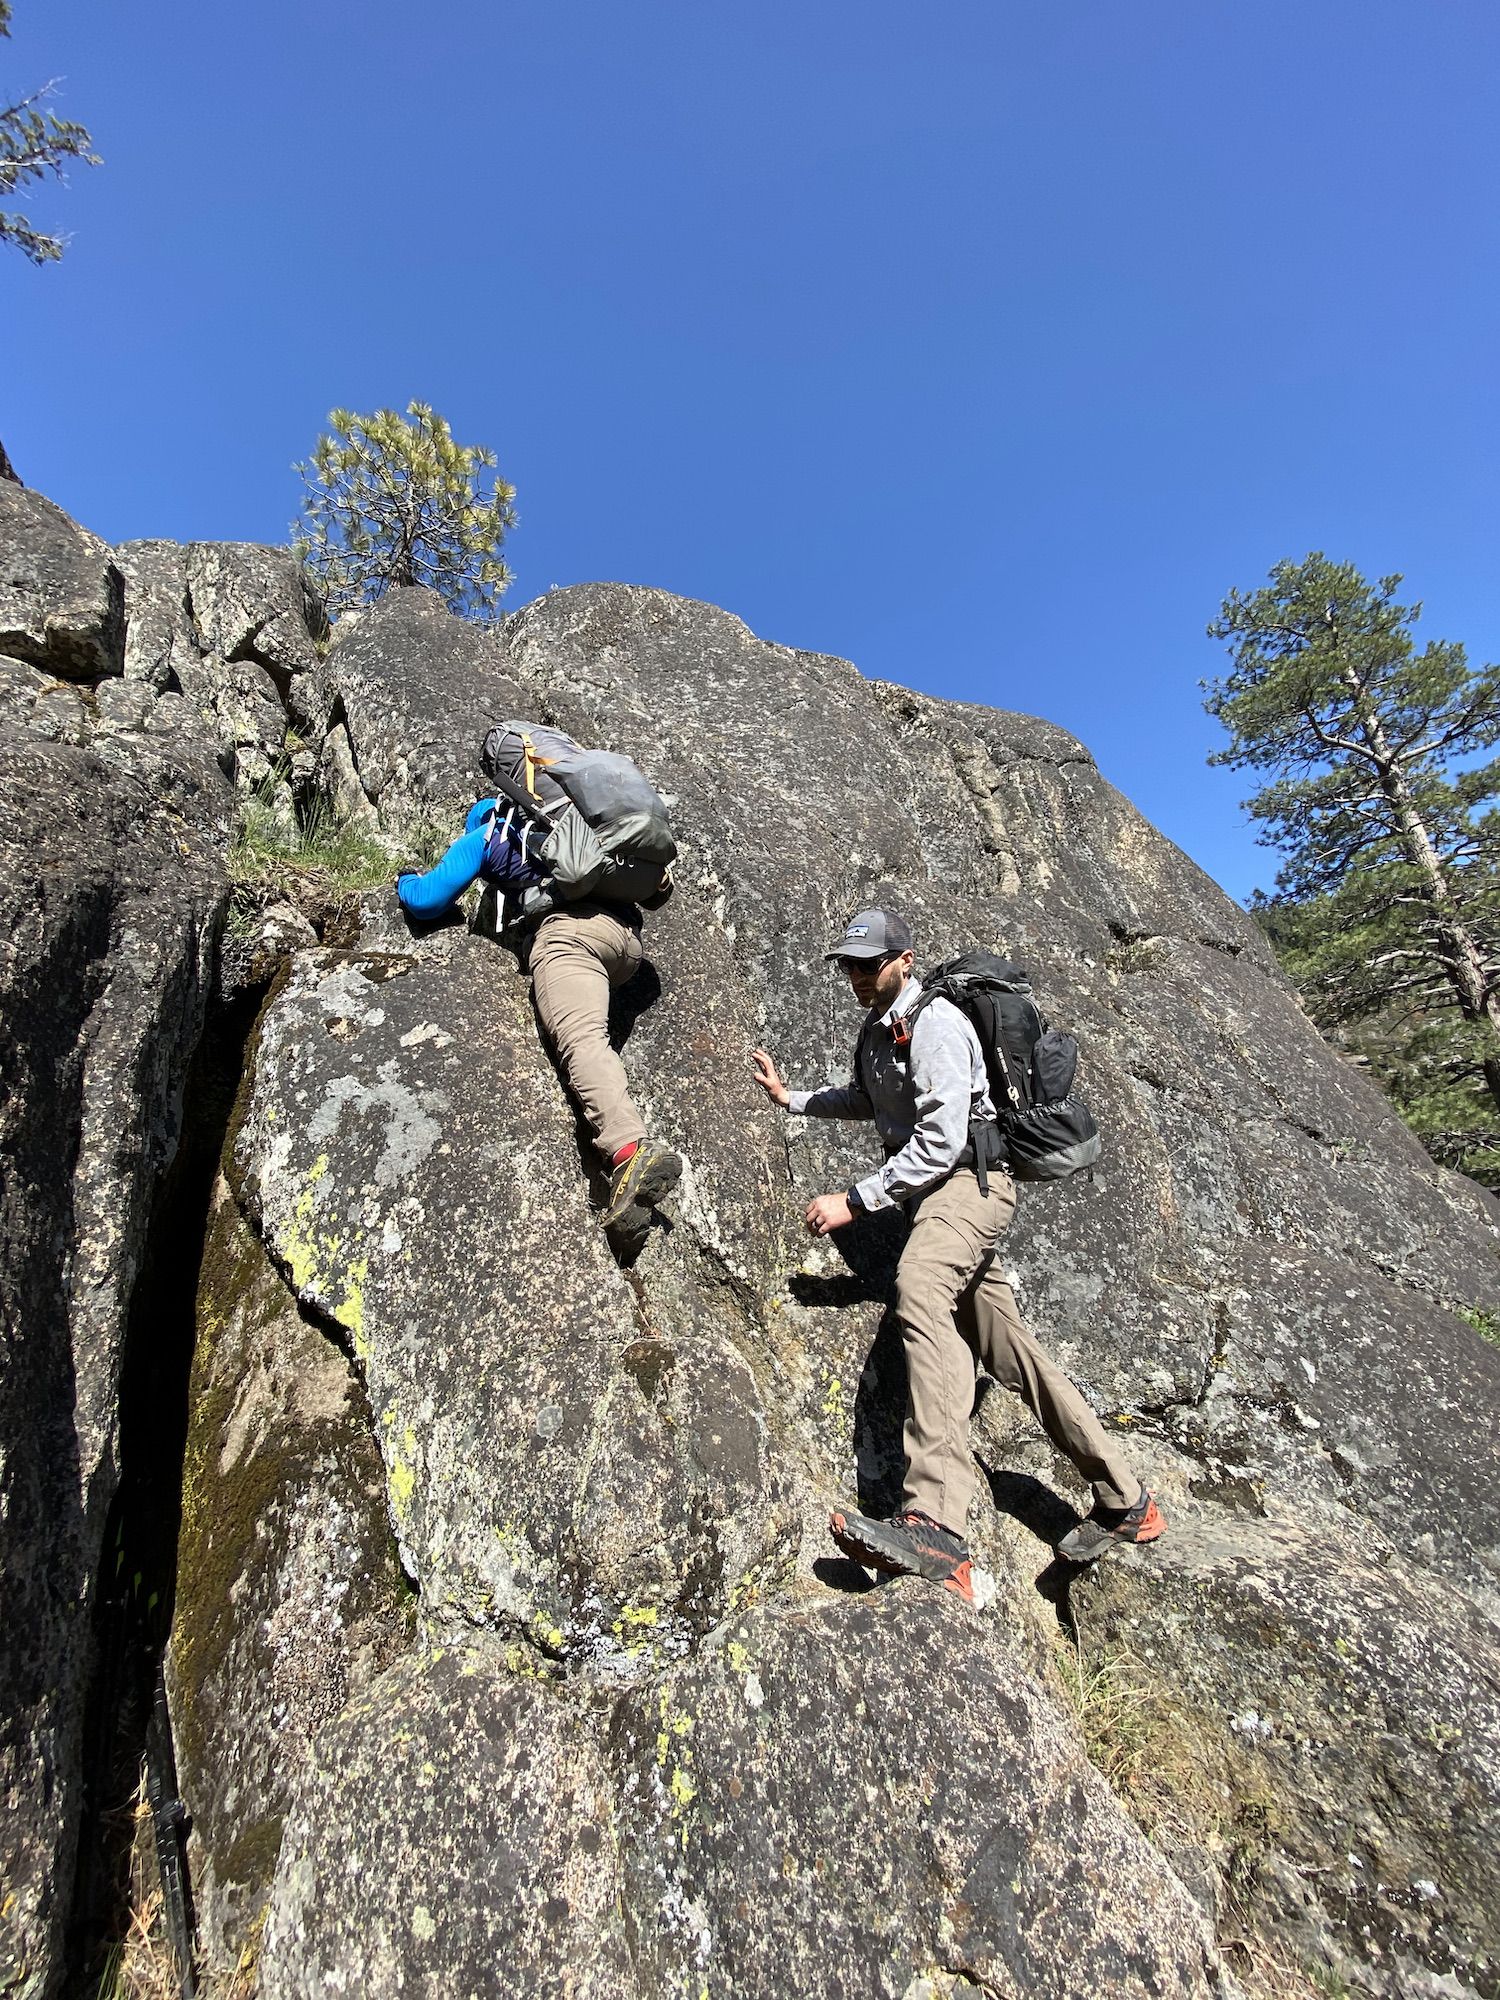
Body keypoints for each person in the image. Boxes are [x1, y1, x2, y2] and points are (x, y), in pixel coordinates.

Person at [751, 906, 1164, 1602]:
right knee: (1012, 1352)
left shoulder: (938, 1024)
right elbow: (868, 1100)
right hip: (935, 1199)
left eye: (868, 962)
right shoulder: (878, 1034)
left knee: (917, 1290)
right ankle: (1127, 1500)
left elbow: (941, 1140)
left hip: (969, 1188)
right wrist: (791, 1099)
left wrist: (854, 1200)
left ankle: (937, 1525)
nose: (855, 974)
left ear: (903, 960)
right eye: (848, 964)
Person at [396, 768, 681, 1242]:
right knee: (588, 1030)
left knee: (581, 1038)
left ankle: (631, 1151)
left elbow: (428, 899)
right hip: (626, 943)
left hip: (571, 937)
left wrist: (405, 880)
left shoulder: (491, 832)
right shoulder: (583, 840)